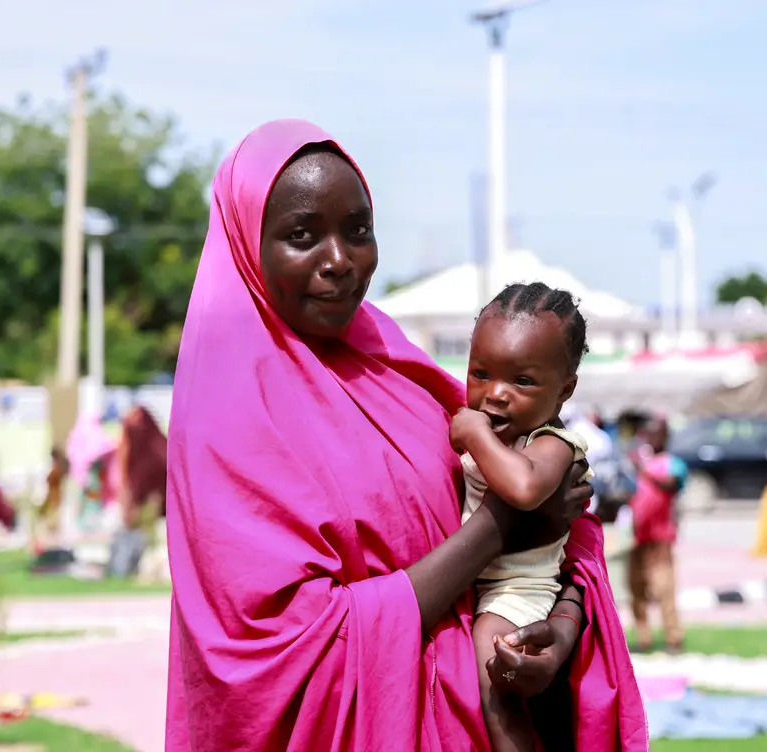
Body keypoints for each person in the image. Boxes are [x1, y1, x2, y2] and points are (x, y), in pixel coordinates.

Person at [165, 120, 646, 751]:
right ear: (245, 245)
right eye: (301, 235)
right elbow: (286, 650)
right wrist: (502, 523)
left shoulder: (394, 368)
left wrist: (559, 626)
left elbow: (557, 526)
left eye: (358, 231)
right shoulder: (229, 417)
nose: (339, 261)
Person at [449, 282, 590, 751]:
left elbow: (525, 490)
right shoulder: (497, 434)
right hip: (477, 580)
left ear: (564, 390)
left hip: (517, 588)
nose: (496, 395)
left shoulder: (552, 443)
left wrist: (474, 434)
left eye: (523, 381)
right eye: (481, 374)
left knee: (494, 667)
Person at [626, 417, 687, 653]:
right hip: (637, 534)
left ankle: (674, 637)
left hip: (661, 536)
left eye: (657, 433)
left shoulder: (673, 463)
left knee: (664, 587)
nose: (651, 438)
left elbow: (670, 486)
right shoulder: (640, 461)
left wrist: (643, 470)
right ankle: (643, 637)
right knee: (636, 587)